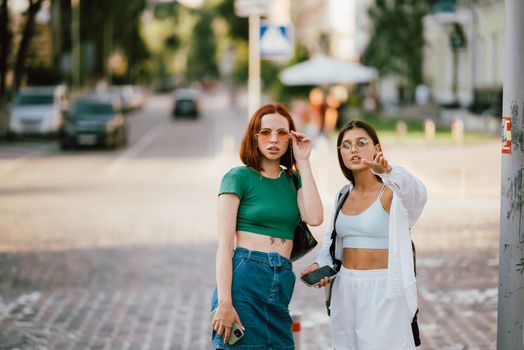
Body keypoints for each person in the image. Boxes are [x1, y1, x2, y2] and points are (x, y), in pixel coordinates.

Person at [301, 120, 427, 350]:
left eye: (361, 143)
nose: (354, 150)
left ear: (377, 148)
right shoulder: (343, 194)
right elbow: (331, 241)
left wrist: (389, 172)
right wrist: (321, 265)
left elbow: (417, 196)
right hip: (345, 288)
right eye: (346, 146)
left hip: (383, 289)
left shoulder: (392, 192)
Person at [210, 102, 324, 349]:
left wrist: (303, 160)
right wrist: (225, 302)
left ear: (290, 139)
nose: (274, 139)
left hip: (281, 279)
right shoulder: (238, 177)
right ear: (255, 136)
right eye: (266, 132)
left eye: (282, 133)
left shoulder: (293, 180)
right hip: (245, 277)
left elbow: (315, 217)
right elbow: (224, 246)